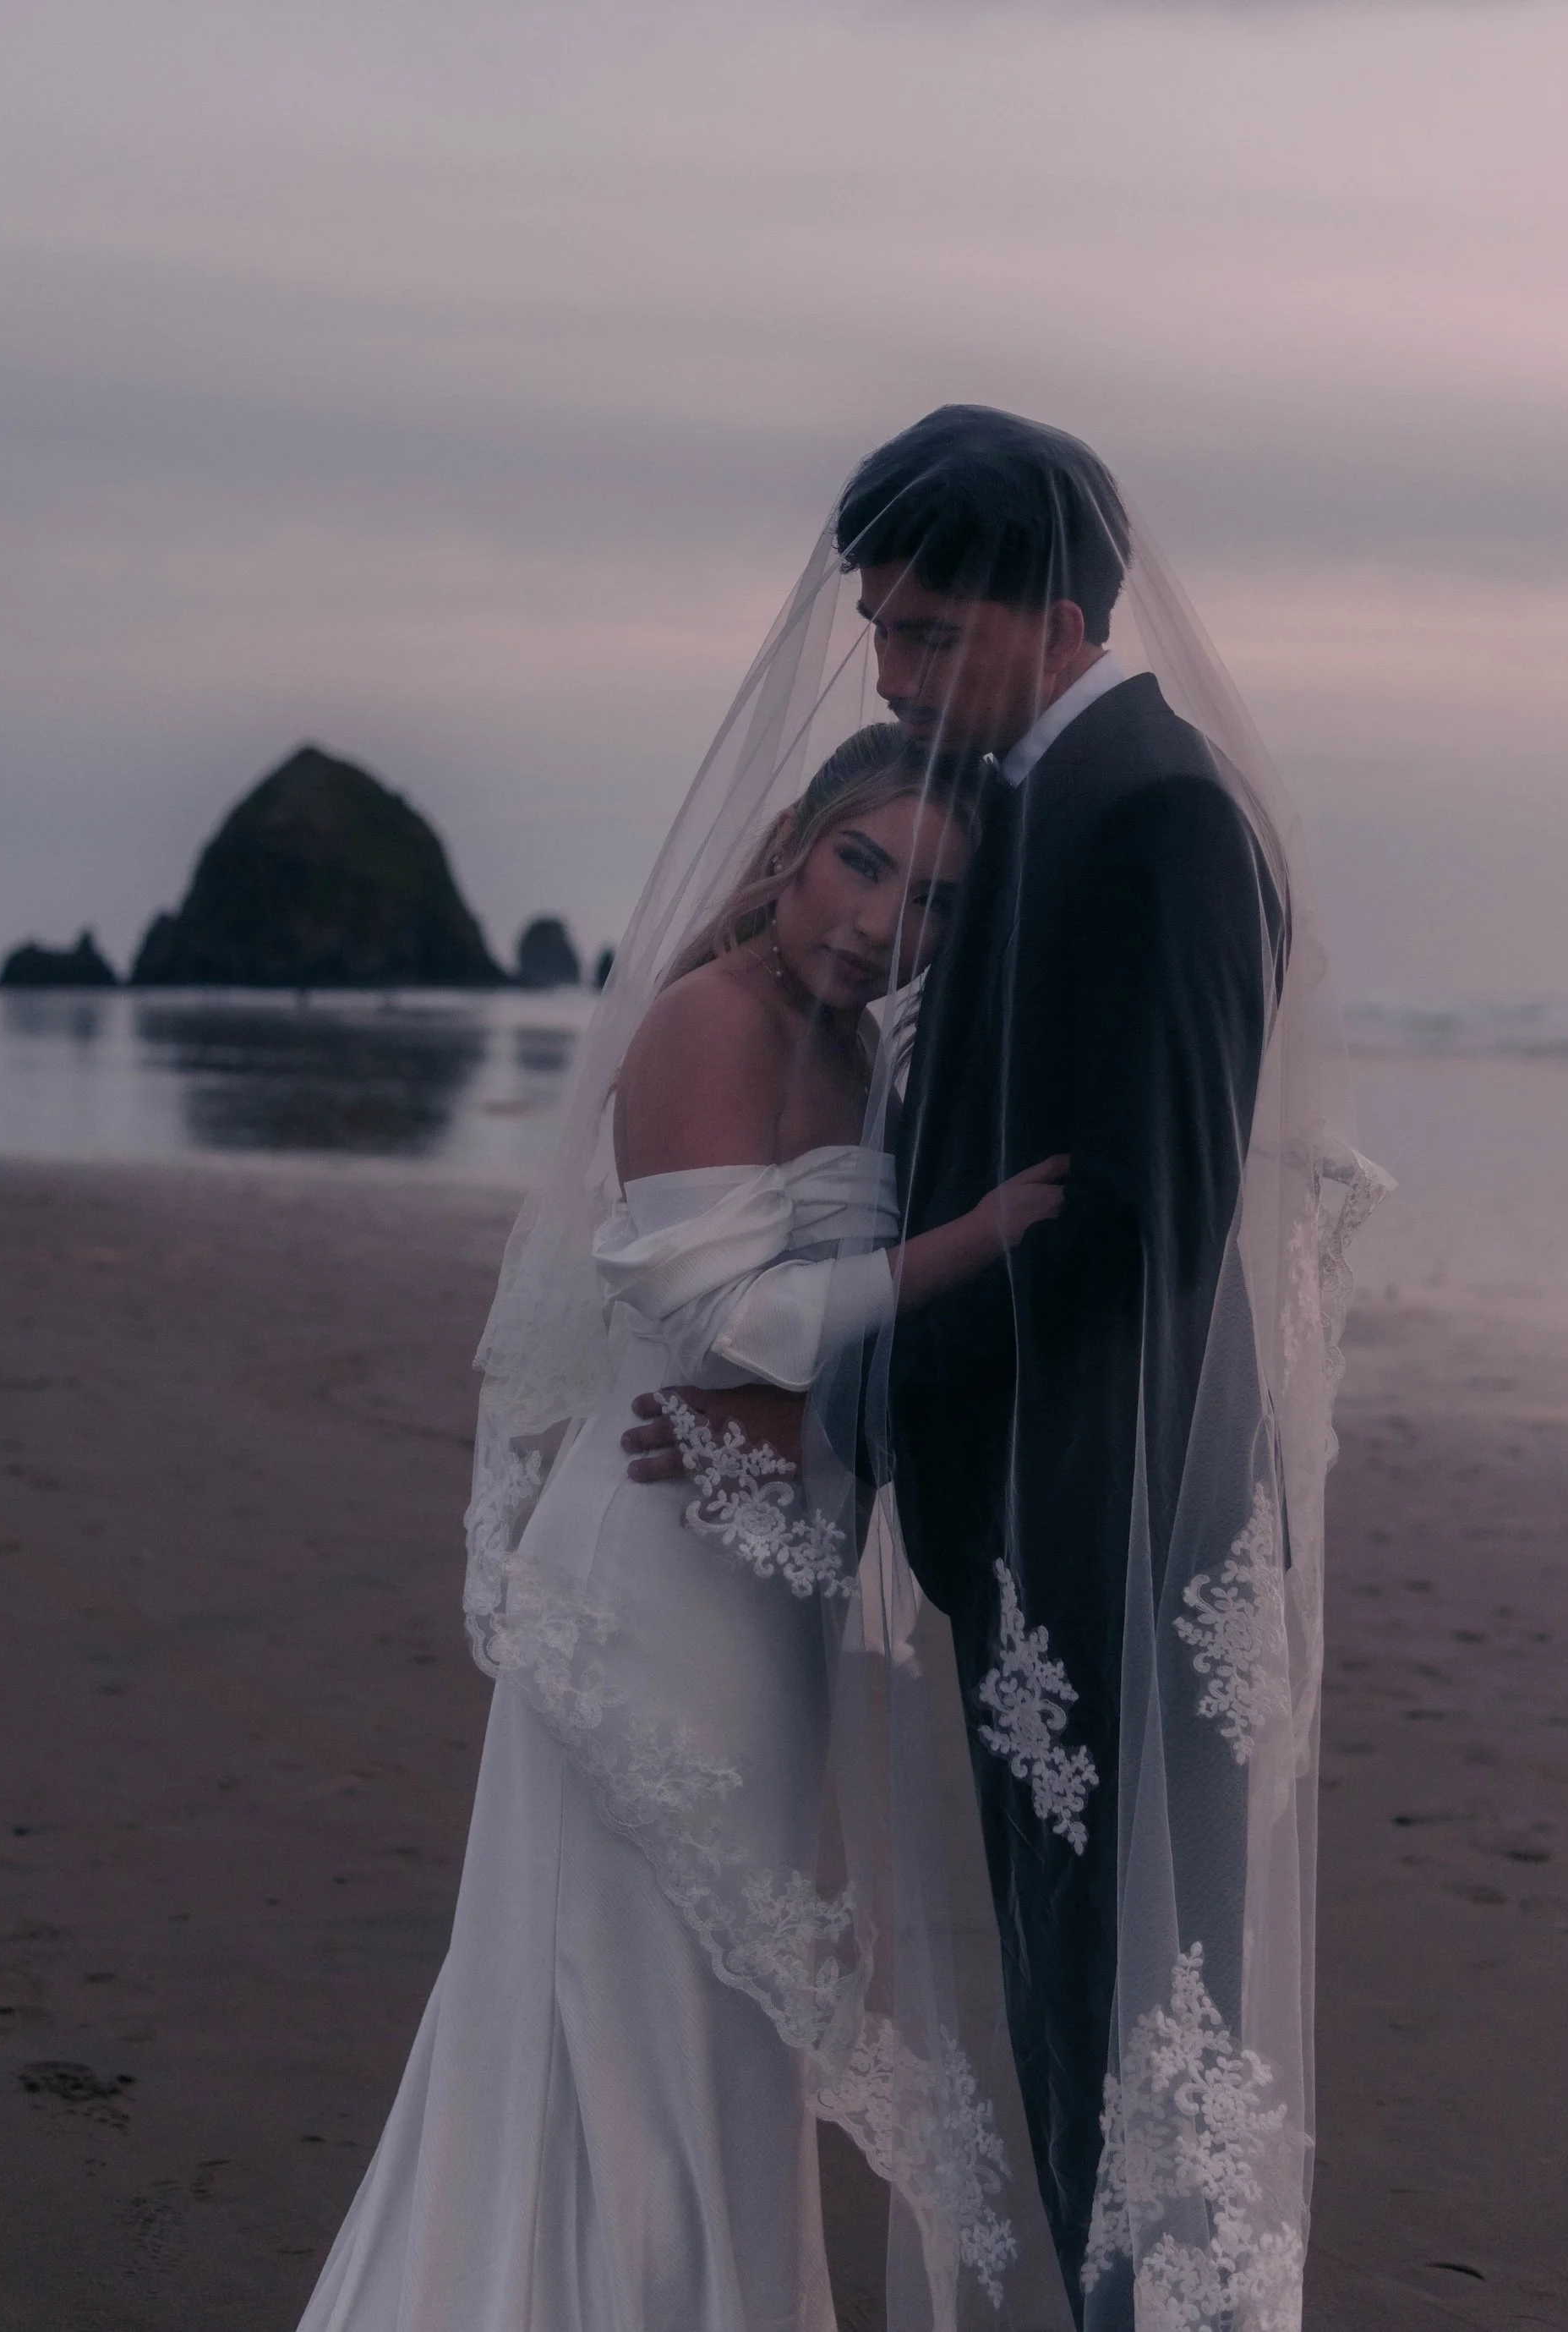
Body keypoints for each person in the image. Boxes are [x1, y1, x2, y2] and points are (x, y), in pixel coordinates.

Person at [622, 408, 1388, 2329]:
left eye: (929, 633)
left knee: (1146, 2038)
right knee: (1081, 2032)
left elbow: (1134, 1226)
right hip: (1049, 1528)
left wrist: (834, 1408)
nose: (888, 673)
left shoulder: (1159, 815)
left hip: (1119, 1520)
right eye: (878, 627)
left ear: (1059, 620)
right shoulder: (1036, 801)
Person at [293, 725, 1072, 2332]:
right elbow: (730, 1322)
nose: (879, 922)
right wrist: (974, 1241)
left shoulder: (854, 1052)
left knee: (715, 1998)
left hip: (764, 1580)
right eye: (862, 863)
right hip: (652, 1568)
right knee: (621, 1975)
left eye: (932, 901)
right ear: (794, 842)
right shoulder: (709, 1018)